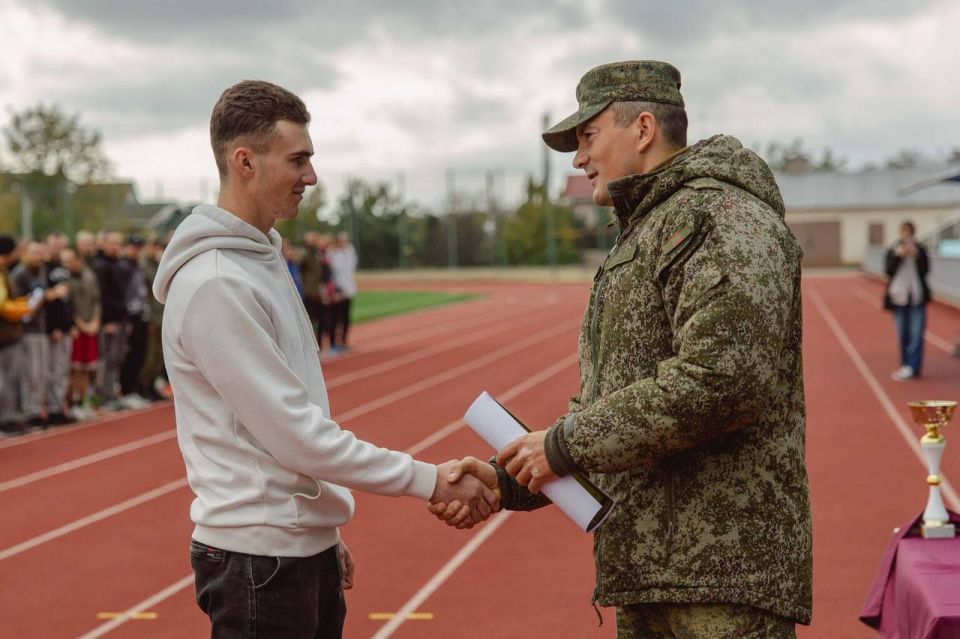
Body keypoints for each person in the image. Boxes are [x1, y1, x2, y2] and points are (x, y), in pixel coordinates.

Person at [431, 61, 811, 638]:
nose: (578, 158)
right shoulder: (647, 232)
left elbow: (723, 380)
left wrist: (560, 446)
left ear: (641, 129)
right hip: (651, 569)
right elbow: (611, 411)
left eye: (587, 137)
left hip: (721, 576)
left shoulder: (722, 217)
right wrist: (507, 477)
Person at [152, 79, 497, 639]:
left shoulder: (261, 259)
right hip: (260, 562)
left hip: (291, 549)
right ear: (244, 161)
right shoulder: (216, 283)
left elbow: (298, 414)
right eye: (298, 159)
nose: (311, 176)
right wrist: (429, 479)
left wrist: (322, 531)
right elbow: (295, 433)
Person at [10, 242, 70, 428]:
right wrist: (47, 295)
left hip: (42, 327)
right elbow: (23, 301)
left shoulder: (41, 271)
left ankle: (45, 408)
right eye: (34, 253)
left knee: (43, 373)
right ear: (24, 253)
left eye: (40, 253)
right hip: (27, 330)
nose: (38, 257)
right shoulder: (19, 274)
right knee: (32, 373)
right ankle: (31, 412)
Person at [883, 221, 931, 381]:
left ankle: (913, 367)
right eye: (904, 231)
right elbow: (888, 270)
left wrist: (916, 256)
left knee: (917, 333)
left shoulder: (920, 250)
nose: (906, 235)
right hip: (898, 298)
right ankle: (906, 365)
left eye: (909, 232)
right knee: (903, 333)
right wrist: (900, 256)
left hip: (917, 297)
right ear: (900, 233)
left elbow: (926, 270)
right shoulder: (894, 250)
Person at [1, 236, 35, 435]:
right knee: (6, 377)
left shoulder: (5, 272)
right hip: (5, 334)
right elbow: (2, 305)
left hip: (8, 333)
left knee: (9, 377)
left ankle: (8, 416)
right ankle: (5, 419)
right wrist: (24, 307)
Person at [90, 231, 129, 409]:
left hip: (120, 317)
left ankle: (112, 391)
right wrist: (107, 321)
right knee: (107, 358)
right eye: (112, 243)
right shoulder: (100, 265)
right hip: (109, 321)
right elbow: (101, 296)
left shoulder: (119, 264)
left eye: (118, 243)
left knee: (117, 358)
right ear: (103, 244)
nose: (115, 247)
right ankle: (104, 394)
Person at [63, 246, 101, 418]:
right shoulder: (64, 278)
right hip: (76, 329)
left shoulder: (89, 275)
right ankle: (70, 403)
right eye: (66, 261)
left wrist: (95, 320)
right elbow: (67, 306)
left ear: (78, 260)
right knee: (74, 368)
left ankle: (82, 402)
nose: (68, 264)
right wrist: (78, 323)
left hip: (90, 327)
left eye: (71, 260)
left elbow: (96, 300)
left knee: (86, 368)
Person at [44, 234, 77, 425]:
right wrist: (53, 327)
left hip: (66, 328)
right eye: (53, 246)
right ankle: (51, 409)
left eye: (59, 246)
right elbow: (46, 302)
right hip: (53, 330)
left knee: (63, 370)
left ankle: (58, 407)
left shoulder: (63, 269)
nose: (56, 249)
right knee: (52, 370)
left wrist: (70, 324)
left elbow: (67, 301)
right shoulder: (44, 270)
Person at [328, 231, 357, 352]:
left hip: (348, 289)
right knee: (335, 317)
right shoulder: (332, 254)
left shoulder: (350, 252)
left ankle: (344, 341)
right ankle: (334, 343)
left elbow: (352, 266)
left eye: (346, 240)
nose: (344, 243)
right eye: (341, 240)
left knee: (346, 317)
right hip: (337, 290)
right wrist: (336, 289)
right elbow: (332, 273)